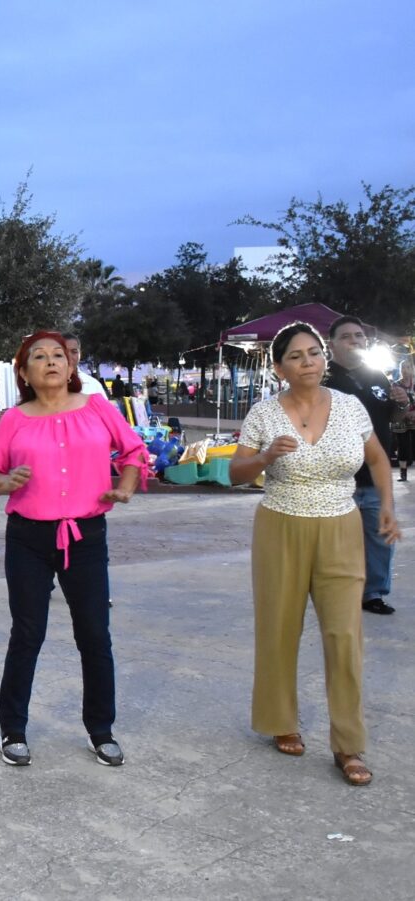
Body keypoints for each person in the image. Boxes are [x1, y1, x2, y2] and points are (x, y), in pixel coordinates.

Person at [230, 322, 399, 787]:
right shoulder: (264, 414)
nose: (309, 362)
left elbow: (379, 459)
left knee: (344, 635)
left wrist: (386, 507)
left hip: (341, 526)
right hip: (280, 525)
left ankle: (349, 744)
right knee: (279, 628)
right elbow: (234, 473)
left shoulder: (349, 407)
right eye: (297, 356)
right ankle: (280, 720)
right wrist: (264, 459)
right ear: (279, 366)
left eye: (315, 353)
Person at [0, 331, 147, 769]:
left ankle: (101, 730)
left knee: (94, 634)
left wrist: (125, 488)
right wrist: (5, 481)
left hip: (86, 537)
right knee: (27, 634)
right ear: (25, 371)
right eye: (40, 356)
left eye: (59, 355)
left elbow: (133, 452)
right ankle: (13, 729)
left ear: (71, 368)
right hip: (28, 539)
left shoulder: (98, 408)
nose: (51, 361)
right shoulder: (13, 420)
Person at [325, 315, 406, 615]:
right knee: (333, 543)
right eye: (347, 337)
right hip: (336, 479)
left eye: (359, 336)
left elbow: (394, 420)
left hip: (375, 477)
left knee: (380, 539)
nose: (355, 341)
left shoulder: (377, 377)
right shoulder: (321, 378)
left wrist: (400, 404)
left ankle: (373, 594)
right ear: (331, 344)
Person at [390, 358, 415, 482]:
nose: (406, 370)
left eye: (408, 367)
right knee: (402, 445)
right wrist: (405, 413)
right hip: (401, 418)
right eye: (403, 368)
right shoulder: (395, 384)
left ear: (412, 369)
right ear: (400, 370)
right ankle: (403, 473)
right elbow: (393, 402)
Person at [62, 334, 108, 398]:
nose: (69, 356)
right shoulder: (46, 385)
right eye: (64, 352)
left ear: (80, 354)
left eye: (74, 352)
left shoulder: (93, 385)